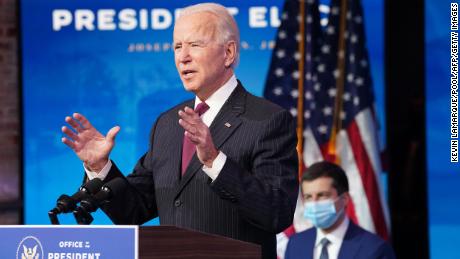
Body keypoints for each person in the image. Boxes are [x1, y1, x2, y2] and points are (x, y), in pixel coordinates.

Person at [61, 3, 298, 259]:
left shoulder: (267, 120)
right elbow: (134, 210)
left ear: (228, 53)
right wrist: (100, 167)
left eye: (195, 45)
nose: (183, 56)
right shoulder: (168, 123)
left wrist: (215, 162)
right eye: (177, 47)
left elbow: (277, 213)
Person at [284, 161, 396, 259]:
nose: (314, 203)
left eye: (322, 195)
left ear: (344, 199)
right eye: (308, 197)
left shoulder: (375, 249)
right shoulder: (295, 244)